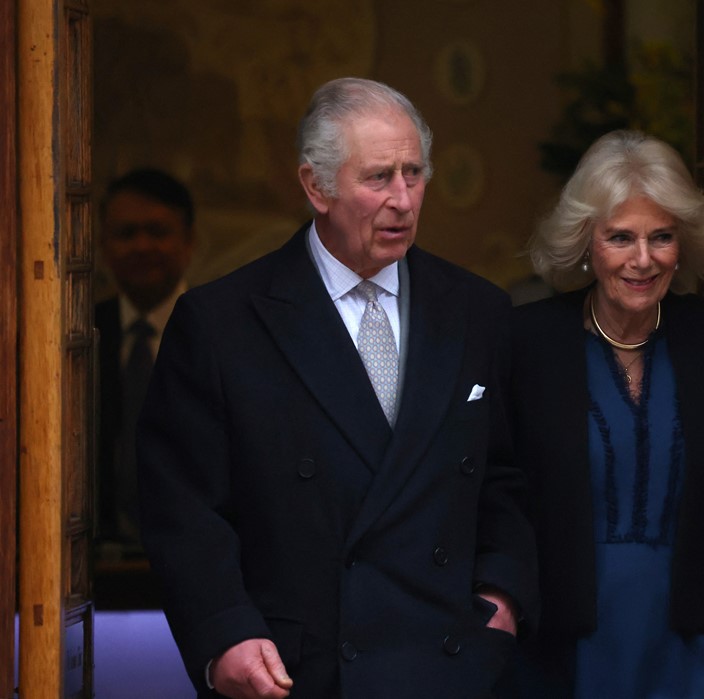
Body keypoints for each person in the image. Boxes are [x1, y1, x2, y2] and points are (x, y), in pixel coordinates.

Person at [136, 77, 538, 698]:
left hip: (449, 664)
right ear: (315, 187)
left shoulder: (478, 310)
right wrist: (225, 632)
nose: (403, 200)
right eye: (379, 177)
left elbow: (504, 476)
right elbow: (182, 507)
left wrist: (501, 597)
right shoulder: (222, 323)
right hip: (299, 672)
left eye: (414, 173)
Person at [506, 130, 704, 698]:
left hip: (701, 640)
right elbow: (498, 493)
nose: (643, 260)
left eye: (662, 237)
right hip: (571, 640)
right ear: (586, 242)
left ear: (684, 243)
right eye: (620, 237)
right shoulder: (527, 345)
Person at [95, 168, 195, 555]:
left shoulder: (221, 329)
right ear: (104, 246)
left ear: (188, 240)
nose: (141, 246)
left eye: (157, 232)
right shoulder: (79, 335)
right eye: (126, 234)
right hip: (102, 564)